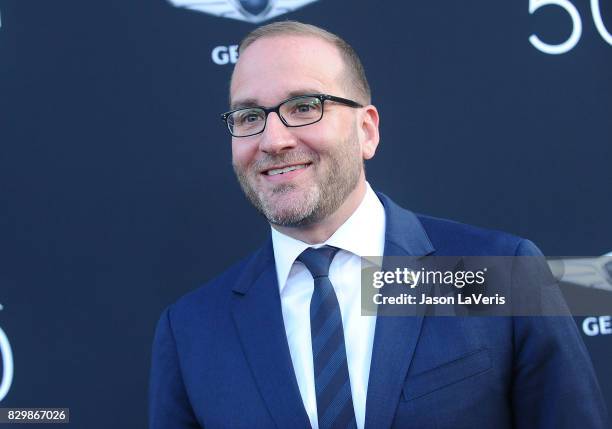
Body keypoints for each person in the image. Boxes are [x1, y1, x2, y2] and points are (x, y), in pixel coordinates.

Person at [149, 21, 608, 429]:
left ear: (366, 131)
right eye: (250, 117)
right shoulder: (191, 329)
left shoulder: (501, 272)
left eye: (305, 106)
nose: (273, 139)